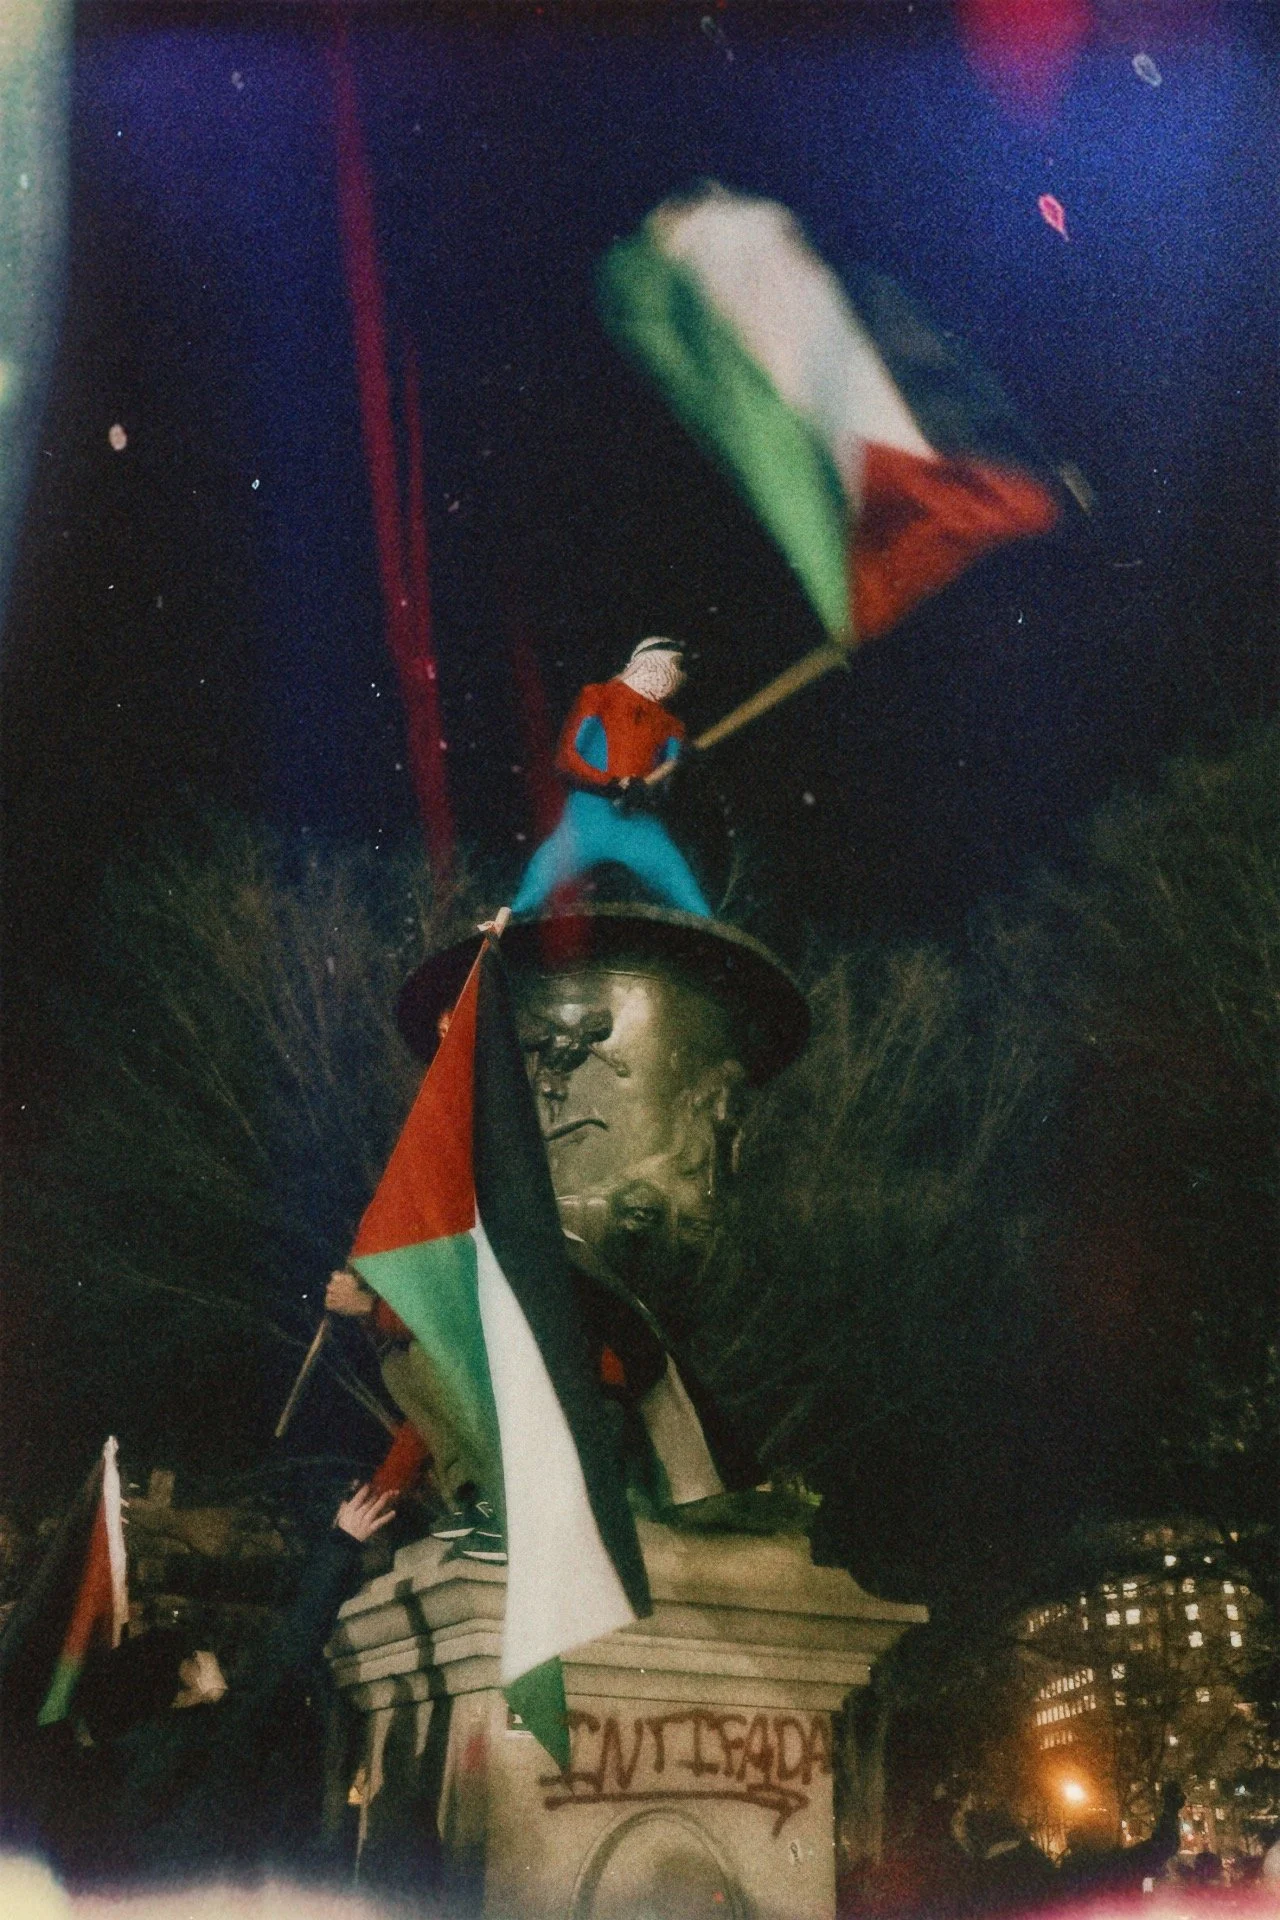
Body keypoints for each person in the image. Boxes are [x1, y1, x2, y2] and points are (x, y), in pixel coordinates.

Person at [50, 1484, 395, 1889]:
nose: (211, 1658)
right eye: (197, 1657)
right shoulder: (207, 1742)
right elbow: (286, 1655)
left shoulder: (111, 1772)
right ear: (183, 1684)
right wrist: (342, 1544)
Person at [510, 637, 712, 918]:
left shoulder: (672, 726)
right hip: (586, 819)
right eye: (673, 667)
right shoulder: (599, 697)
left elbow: (666, 788)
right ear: (648, 664)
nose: (676, 678)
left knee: (692, 902)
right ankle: (501, 927)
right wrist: (613, 783)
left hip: (639, 826)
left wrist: (683, 767)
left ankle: (711, 932)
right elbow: (567, 758)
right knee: (530, 895)